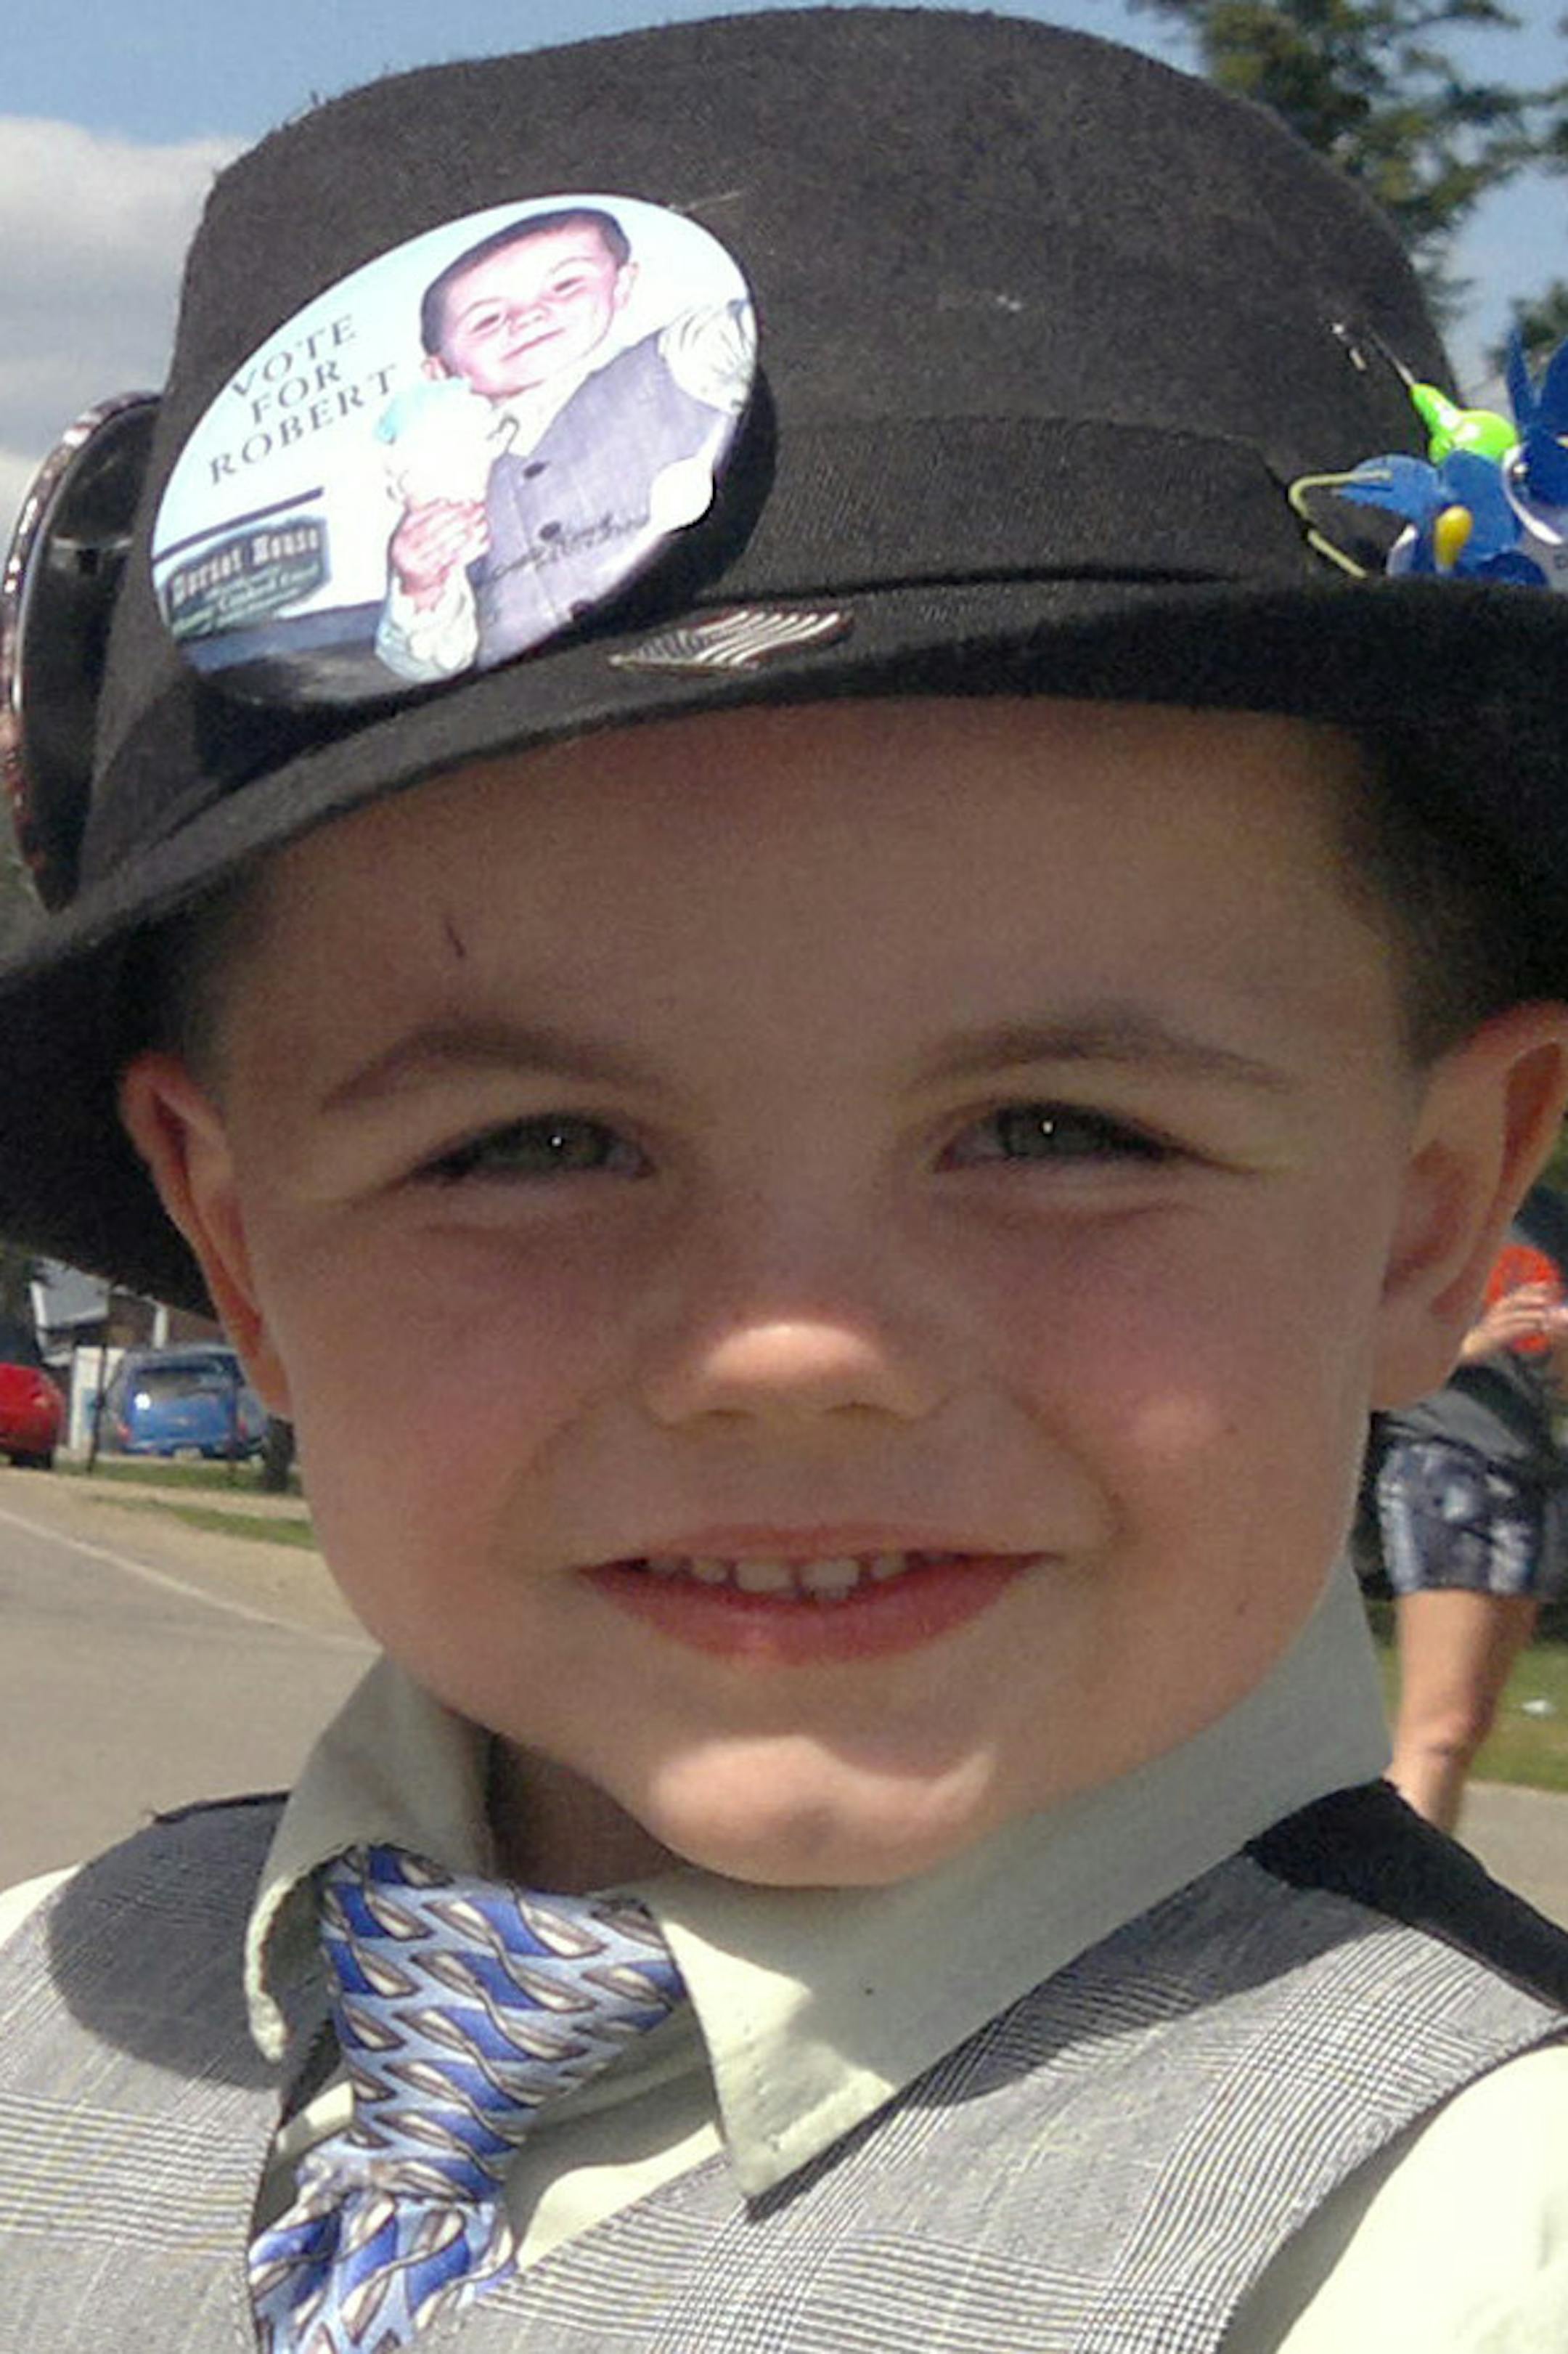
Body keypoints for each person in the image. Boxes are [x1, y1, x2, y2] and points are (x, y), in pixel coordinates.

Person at [1, 11, 1568, 2350]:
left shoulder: (1471, 2238)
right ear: (235, 1234)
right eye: (528, 1144)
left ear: (1439, 1210)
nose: (792, 1346)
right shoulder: (38, 1994)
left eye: (1061, 1131)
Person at [375, 205, 753, 682]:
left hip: (710, 649)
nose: (529, 316)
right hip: (531, 704)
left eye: (565, 285)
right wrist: (420, 583)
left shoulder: (680, 359)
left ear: (621, 286)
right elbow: (427, 664)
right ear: (439, 371)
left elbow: (739, 333)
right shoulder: (455, 483)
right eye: (487, 319)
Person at [1374, 1189, 1568, 1832]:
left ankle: (1419, 1885)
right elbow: (1371, 1350)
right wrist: (1486, 1338)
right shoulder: (1433, 1197)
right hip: (1445, 1460)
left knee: (1469, 1726)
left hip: (1528, 1468)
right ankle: (1400, 1902)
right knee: (1440, 1727)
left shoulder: (1549, 1217)